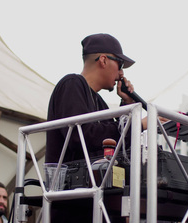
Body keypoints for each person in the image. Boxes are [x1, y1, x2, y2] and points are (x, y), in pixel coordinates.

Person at [46, 33, 146, 164]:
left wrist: (127, 104)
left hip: (95, 182)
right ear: (103, 60)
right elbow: (81, 136)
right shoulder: (71, 84)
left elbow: (115, 141)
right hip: (70, 182)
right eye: (120, 65)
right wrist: (138, 125)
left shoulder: (99, 101)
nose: (121, 73)